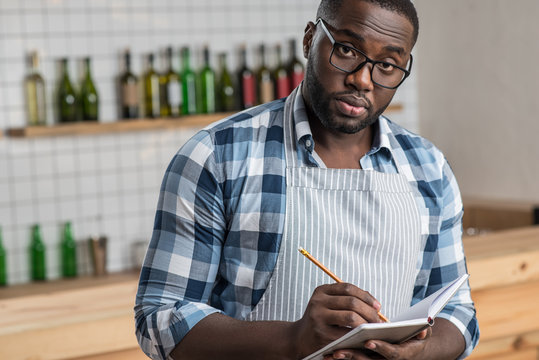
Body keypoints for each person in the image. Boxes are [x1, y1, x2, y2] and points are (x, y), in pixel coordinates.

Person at [134, 0, 480, 359]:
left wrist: (414, 356)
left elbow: (459, 314)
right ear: (309, 39)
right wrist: (293, 339)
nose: (362, 79)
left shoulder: (429, 168)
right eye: (346, 50)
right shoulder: (217, 155)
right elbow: (160, 318)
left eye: (388, 65)